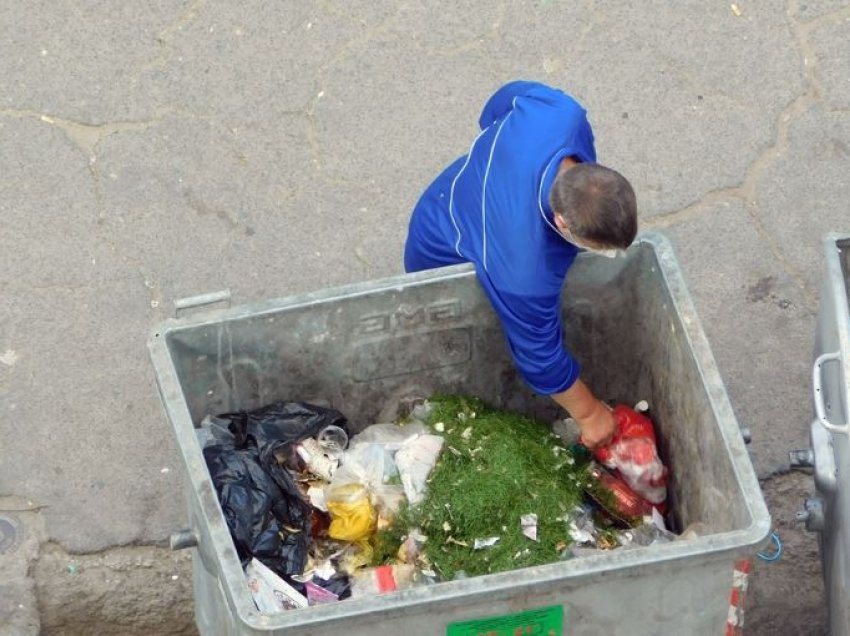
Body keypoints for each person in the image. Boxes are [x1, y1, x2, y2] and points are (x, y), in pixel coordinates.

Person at [404, 80, 637, 450]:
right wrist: (591, 414)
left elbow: (501, 102)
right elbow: (539, 357)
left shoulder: (559, 113)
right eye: (597, 247)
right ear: (562, 223)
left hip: (459, 189)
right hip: (445, 242)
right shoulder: (524, 271)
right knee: (468, 330)